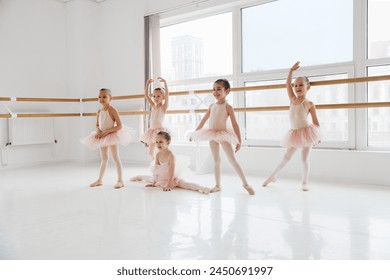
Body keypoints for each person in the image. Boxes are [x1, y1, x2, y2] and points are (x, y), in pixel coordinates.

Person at [262, 61, 321, 191]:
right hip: (294, 134)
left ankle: (304, 182)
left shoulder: (309, 103)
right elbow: (287, 84)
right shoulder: (292, 99)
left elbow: (316, 122)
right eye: (296, 85)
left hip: (307, 134)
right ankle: (272, 176)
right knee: (286, 157)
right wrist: (290, 71)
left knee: (304, 159)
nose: (298, 87)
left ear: (308, 87)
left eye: (301, 85)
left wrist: (318, 136)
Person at [190, 79, 255, 195]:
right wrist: (195, 133)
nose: (215, 92)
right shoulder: (211, 106)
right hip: (211, 134)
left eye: (219, 89)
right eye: (214, 89)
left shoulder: (228, 107)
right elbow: (204, 120)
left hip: (223, 135)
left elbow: (235, 124)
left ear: (227, 91)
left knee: (232, 160)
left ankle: (246, 184)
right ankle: (218, 185)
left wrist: (239, 140)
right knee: (216, 160)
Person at [81, 88, 131, 189]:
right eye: (99, 97)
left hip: (111, 135)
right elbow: (97, 125)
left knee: (115, 157)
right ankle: (100, 179)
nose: (101, 99)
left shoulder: (112, 110)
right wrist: (98, 131)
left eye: (104, 97)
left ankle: (120, 180)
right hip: (102, 136)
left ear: (110, 98)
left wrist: (106, 132)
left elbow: (119, 126)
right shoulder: (99, 111)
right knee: (104, 158)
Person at [131, 131, 211, 194]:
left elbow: (171, 171)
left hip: (172, 179)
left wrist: (169, 184)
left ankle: (202, 188)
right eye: (157, 142)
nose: (158, 144)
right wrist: (155, 182)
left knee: (185, 185)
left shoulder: (171, 155)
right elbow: (156, 169)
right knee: (149, 178)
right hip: (161, 179)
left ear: (168, 142)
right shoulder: (158, 154)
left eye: (161, 142)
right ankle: (138, 177)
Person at [140, 77, 170, 160]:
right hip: (152, 132)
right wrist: (147, 84)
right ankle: (155, 165)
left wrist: (165, 83)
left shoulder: (164, 107)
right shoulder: (153, 106)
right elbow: (146, 95)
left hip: (159, 132)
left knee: (161, 150)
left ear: (163, 97)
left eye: (158, 96)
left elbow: (167, 95)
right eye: (154, 96)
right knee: (150, 152)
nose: (156, 98)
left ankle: (164, 163)